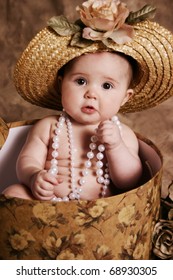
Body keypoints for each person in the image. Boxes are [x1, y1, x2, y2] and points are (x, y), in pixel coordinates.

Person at [2, 0, 173, 201]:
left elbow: (129, 182)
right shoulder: (48, 126)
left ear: (125, 98)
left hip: (98, 213)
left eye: (106, 86)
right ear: (60, 84)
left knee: (120, 202)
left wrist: (115, 147)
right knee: (13, 193)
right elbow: (27, 160)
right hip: (47, 206)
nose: (91, 93)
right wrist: (33, 177)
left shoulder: (122, 135)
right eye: (81, 81)